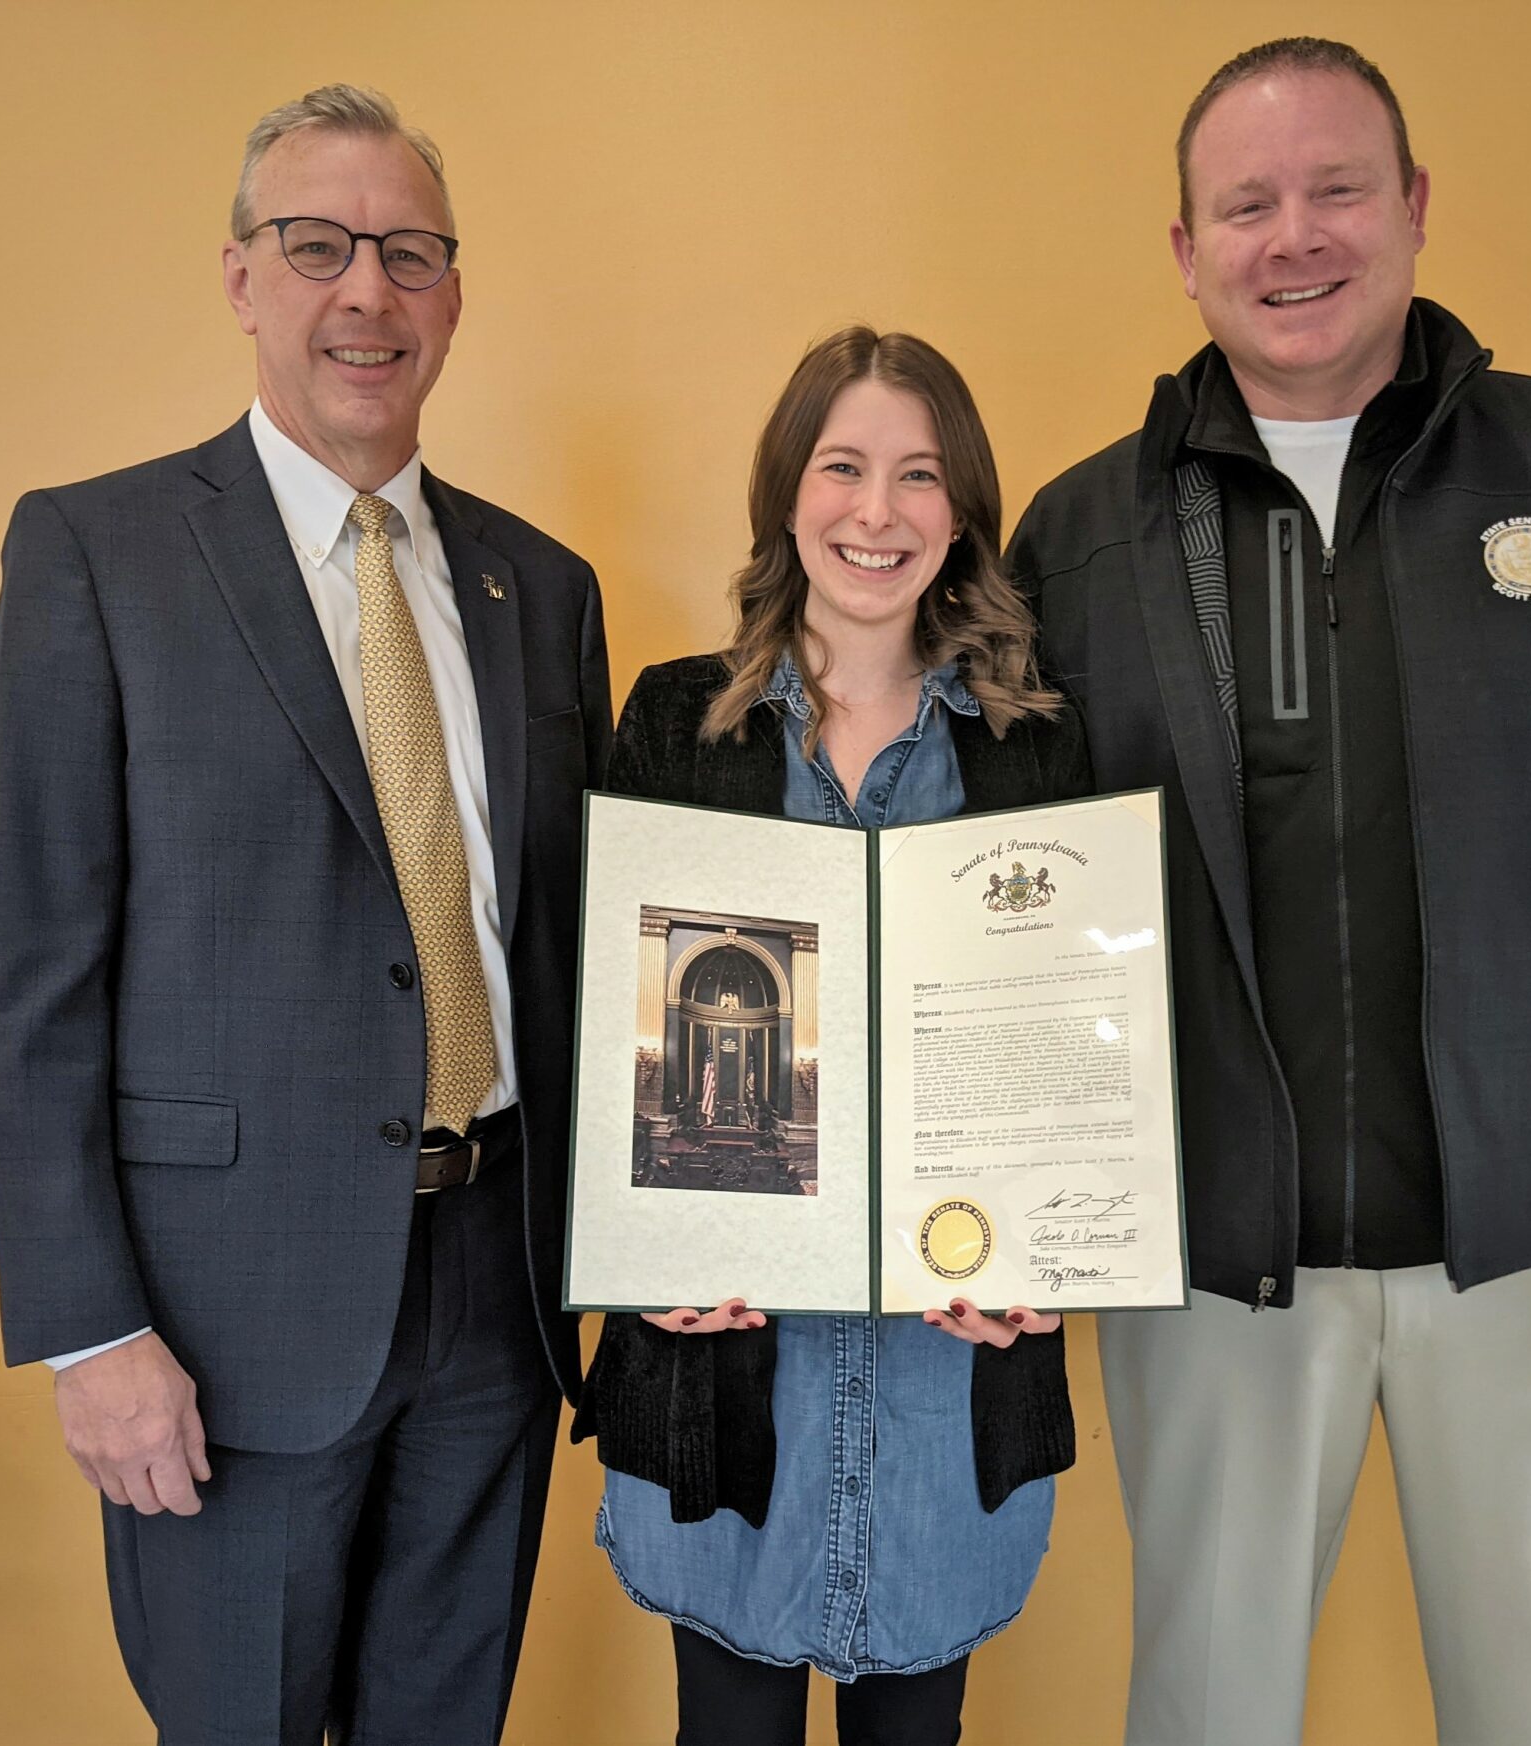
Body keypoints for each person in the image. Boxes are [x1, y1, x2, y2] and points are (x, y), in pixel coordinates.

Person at [1006, 38, 1531, 1746]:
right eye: (1246, 203)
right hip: (1216, 1261)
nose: (1293, 236)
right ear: (1183, 247)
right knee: (1204, 1712)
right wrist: (1002, 1205)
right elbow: (998, 905)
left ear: (1417, 209)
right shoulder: (1084, 540)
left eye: (1336, 189)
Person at [0, 85, 610, 1743]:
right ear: (241, 277)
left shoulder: (539, 588)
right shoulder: (95, 555)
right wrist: (89, 1328)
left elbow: (578, 946)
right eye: (317, 246)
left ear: (455, 295)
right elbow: (30, 980)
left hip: (496, 1287)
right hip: (220, 1326)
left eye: (408, 253)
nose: (366, 293)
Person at [572, 327, 1086, 1746]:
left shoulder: (1035, 743)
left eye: (918, 476)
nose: (877, 511)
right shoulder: (680, 723)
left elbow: (1072, 1061)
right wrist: (631, 1251)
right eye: (843, 466)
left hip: (950, 1383)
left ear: (963, 507)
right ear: (787, 493)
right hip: (728, 1371)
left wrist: (1053, 1257)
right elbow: (599, 1031)